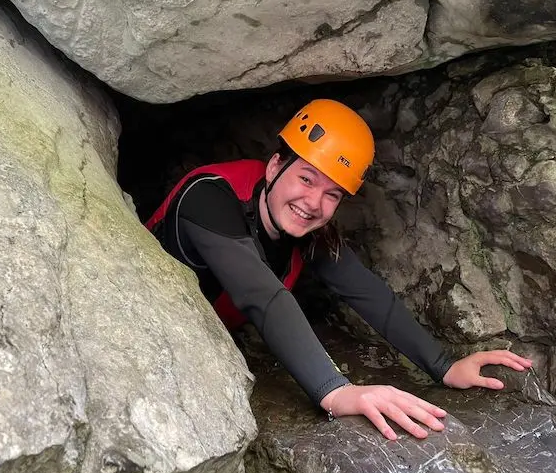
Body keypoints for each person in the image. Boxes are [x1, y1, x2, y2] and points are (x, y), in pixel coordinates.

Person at [145, 99, 532, 441]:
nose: (313, 203)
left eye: (332, 194)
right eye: (306, 178)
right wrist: (336, 391)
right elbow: (261, 294)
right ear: (275, 165)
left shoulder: (307, 228)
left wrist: (444, 366)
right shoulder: (209, 196)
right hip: (142, 333)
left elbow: (367, 293)